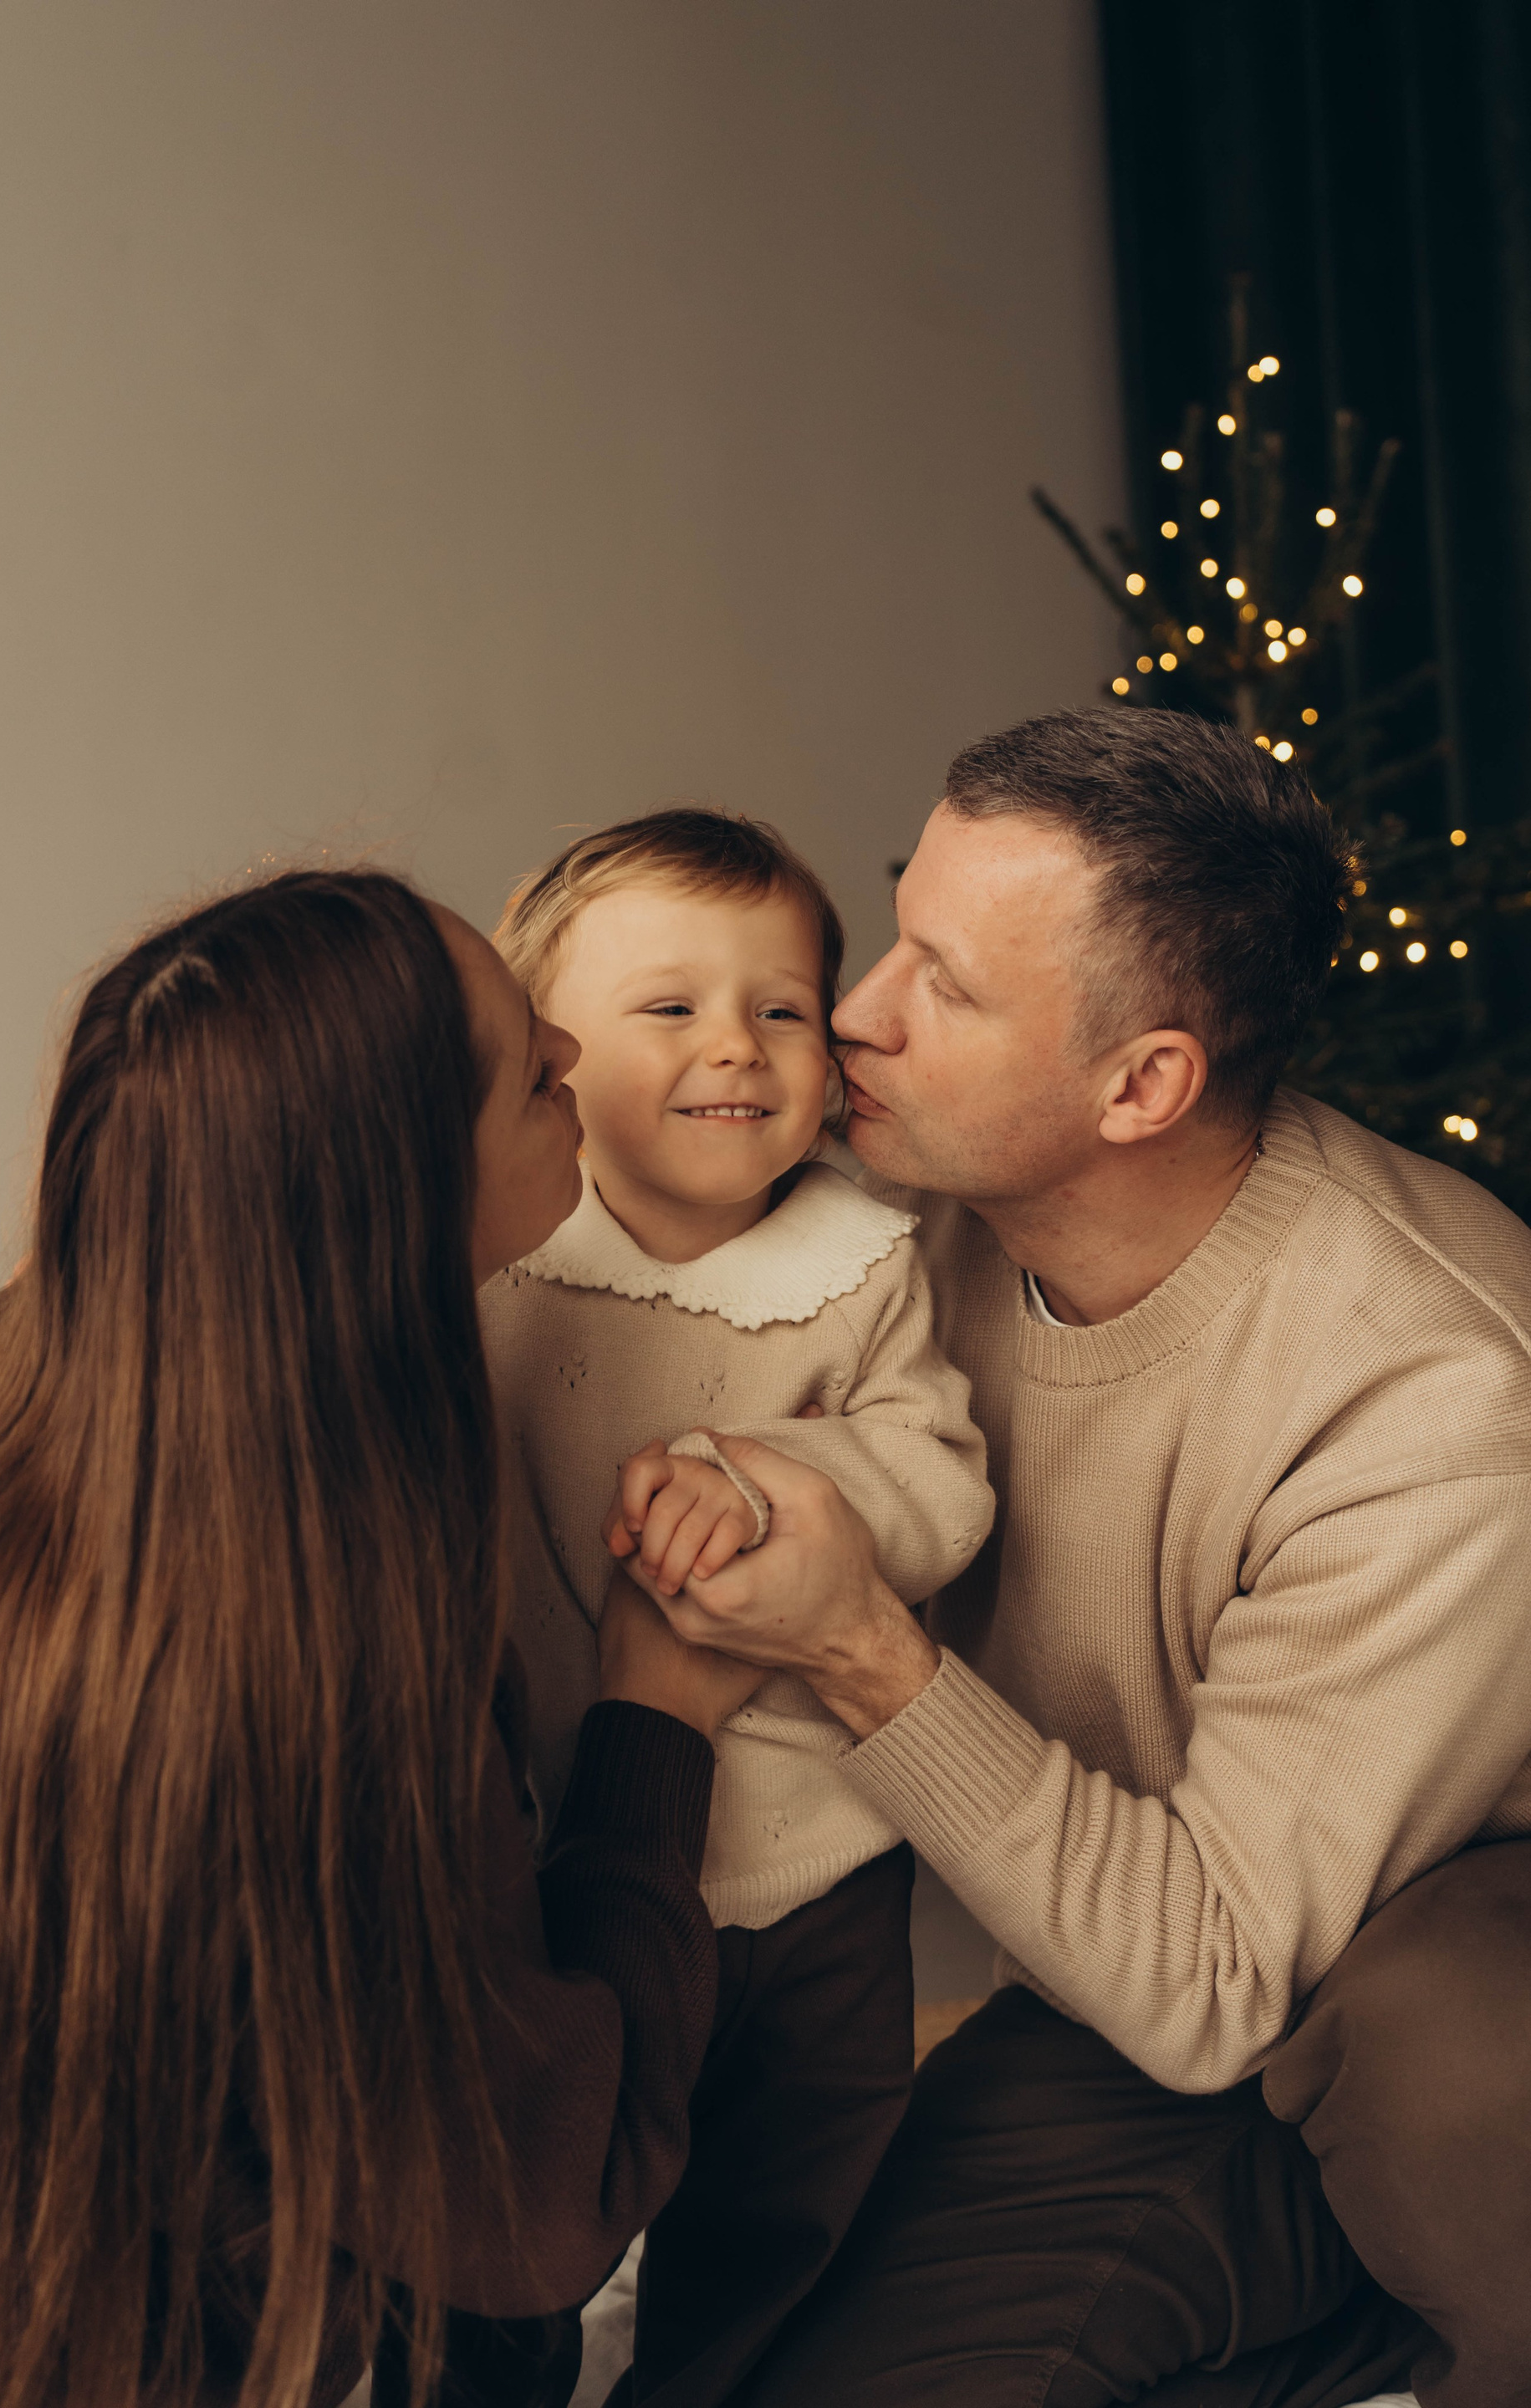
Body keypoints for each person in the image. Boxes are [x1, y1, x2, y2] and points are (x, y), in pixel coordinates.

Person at [621, 712, 1531, 2408]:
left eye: (948, 986)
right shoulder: (895, 1224)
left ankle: (1419, 2310)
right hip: (1140, 1967)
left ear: (1142, 1086)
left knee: (1447, 2042)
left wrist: (861, 1647)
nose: (859, 1010)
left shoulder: (1439, 1400)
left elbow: (1214, 1979)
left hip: (1418, 1984)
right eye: (897, 930)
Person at [0, 865, 762, 2408]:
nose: (570, 1051)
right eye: (528, 1071)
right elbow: (536, 2200)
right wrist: (657, 1729)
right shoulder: (312, 1663)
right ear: (398, 1201)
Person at [482, 809, 993, 2407]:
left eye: (782, 1007)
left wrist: (776, 1479)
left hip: (817, 1854)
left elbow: (940, 1477)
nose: (737, 1047)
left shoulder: (860, 1260)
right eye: (671, 1007)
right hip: (559, 1841)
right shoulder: (502, 1266)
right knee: (512, 2217)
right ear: (547, 1055)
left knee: (787, 2209)